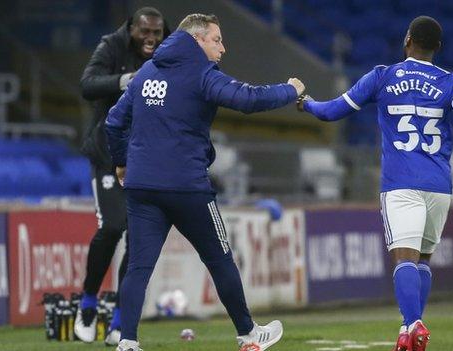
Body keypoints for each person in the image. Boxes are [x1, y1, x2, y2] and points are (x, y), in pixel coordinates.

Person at [297, 16, 453, 351]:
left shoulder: (382, 76)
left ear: (408, 40)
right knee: (422, 260)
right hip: (438, 186)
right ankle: (410, 333)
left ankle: (412, 323)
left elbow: (331, 112)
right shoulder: (452, 81)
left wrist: (306, 103)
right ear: (437, 47)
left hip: (401, 184)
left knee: (404, 259)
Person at [104, 13, 305, 351]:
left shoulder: (147, 73)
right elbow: (249, 99)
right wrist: (290, 89)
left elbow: (113, 122)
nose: (223, 48)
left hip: (141, 187)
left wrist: (122, 163)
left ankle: (127, 341)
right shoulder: (202, 74)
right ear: (197, 39)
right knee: (219, 258)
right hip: (188, 188)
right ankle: (248, 334)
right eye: (217, 40)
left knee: (138, 266)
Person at [75, 7, 170, 346]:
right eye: (145, 31)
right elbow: (87, 85)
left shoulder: (168, 52)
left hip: (145, 157)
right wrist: (124, 81)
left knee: (138, 238)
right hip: (107, 154)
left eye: (157, 33)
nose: (151, 38)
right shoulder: (111, 47)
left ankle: (119, 320)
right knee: (113, 227)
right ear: (131, 28)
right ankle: (86, 304)